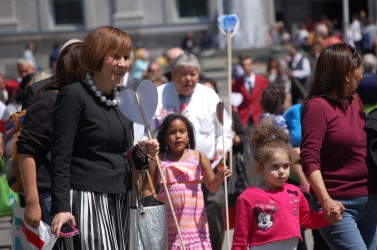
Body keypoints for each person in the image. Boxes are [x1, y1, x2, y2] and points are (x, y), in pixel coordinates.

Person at [50, 26, 159, 250]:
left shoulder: (126, 97)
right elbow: (60, 156)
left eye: (126, 57)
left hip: (120, 196)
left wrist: (141, 151)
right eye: (115, 56)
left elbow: (124, 151)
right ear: (97, 56)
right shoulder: (73, 95)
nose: (123, 64)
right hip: (86, 197)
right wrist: (61, 206)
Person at [149, 52, 233, 250]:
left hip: (207, 167)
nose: (189, 79)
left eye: (193, 74)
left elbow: (225, 129)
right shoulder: (159, 95)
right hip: (169, 173)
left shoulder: (209, 95)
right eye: (183, 74)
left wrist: (221, 149)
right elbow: (145, 130)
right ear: (173, 74)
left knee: (212, 212)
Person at [301, 43, 377, 249]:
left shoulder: (355, 99)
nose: (362, 75)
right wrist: (326, 200)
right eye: (358, 69)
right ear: (345, 74)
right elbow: (309, 159)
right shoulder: (317, 107)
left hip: (371, 200)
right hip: (338, 205)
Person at [17, 39, 83, 249]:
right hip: (50, 197)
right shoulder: (49, 101)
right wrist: (32, 204)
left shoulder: (82, 100)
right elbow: (26, 150)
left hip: (77, 192)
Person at [232, 124, 342, 250]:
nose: (281, 171)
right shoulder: (248, 197)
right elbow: (240, 237)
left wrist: (327, 218)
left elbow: (307, 218)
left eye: (285, 166)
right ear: (260, 168)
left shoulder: (294, 191)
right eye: (275, 166)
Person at [144, 113, 230, 249]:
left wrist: (219, 178)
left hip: (194, 223)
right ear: (165, 138)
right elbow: (148, 189)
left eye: (182, 131)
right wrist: (151, 208)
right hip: (168, 221)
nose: (178, 136)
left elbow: (212, 187)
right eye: (172, 132)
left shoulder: (198, 157)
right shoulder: (157, 160)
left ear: (188, 135)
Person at [232, 54, 269, 128]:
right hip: (244, 118)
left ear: (252, 65)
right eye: (244, 65)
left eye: (248, 65)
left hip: (258, 116)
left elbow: (267, 98)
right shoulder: (236, 83)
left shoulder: (262, 80)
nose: (246, 67)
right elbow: (233, 100)